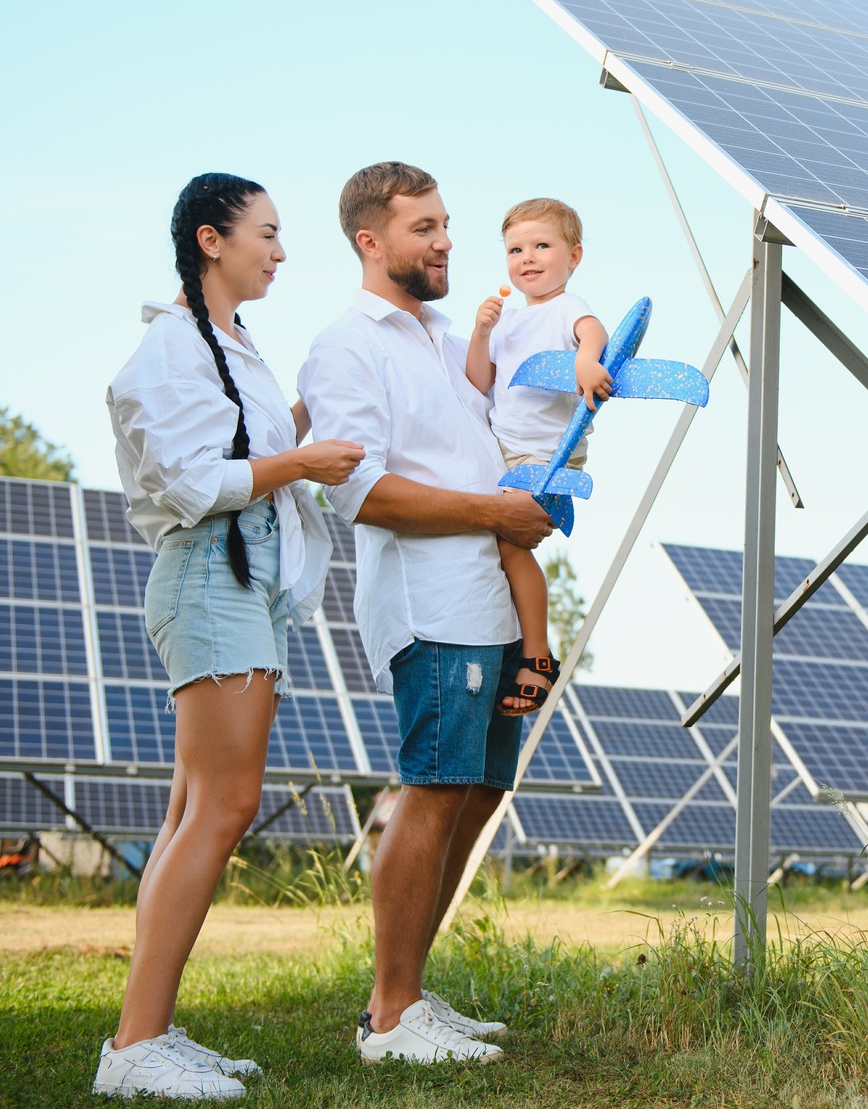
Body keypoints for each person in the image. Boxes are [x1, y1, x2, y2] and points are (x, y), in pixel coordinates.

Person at [96, 173, 365, 1100]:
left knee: (190, 814)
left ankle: (150, 1030)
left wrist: (306, 423)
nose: (281, 251)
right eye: (269, 233)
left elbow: (239, 445)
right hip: (211, 575)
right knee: (221, 807)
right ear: (212, 240)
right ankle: (134, 1047)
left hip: (238, 583)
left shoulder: (230, 345)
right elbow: (189, 479)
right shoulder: (171, 346)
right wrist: (301, 459)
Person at [298, 161, 556, 1065]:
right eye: (424, 228)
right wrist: (494, 513)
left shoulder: (452, 340)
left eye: (447, 223)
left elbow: (494, 443)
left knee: (478, 794)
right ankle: (391, 1014)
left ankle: (407, 996)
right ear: (371, 242)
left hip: (492, 601)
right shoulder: (346, 347)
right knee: (435, 789)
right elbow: (359, 492)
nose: (446, 240)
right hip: (432, 604)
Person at [463, 197, 611, 700]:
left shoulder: (567, 308)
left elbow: (592, 331)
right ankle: (513, 647)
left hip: (545, 457)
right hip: (502, 453)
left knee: (510, 542)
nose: (527, 257)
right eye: (515, 249)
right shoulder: (506, 321)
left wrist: (588, 361)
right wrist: (481, 333)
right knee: (493, 547)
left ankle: (537, 656)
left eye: (542, 246)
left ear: (574, 257)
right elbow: (479, 381)